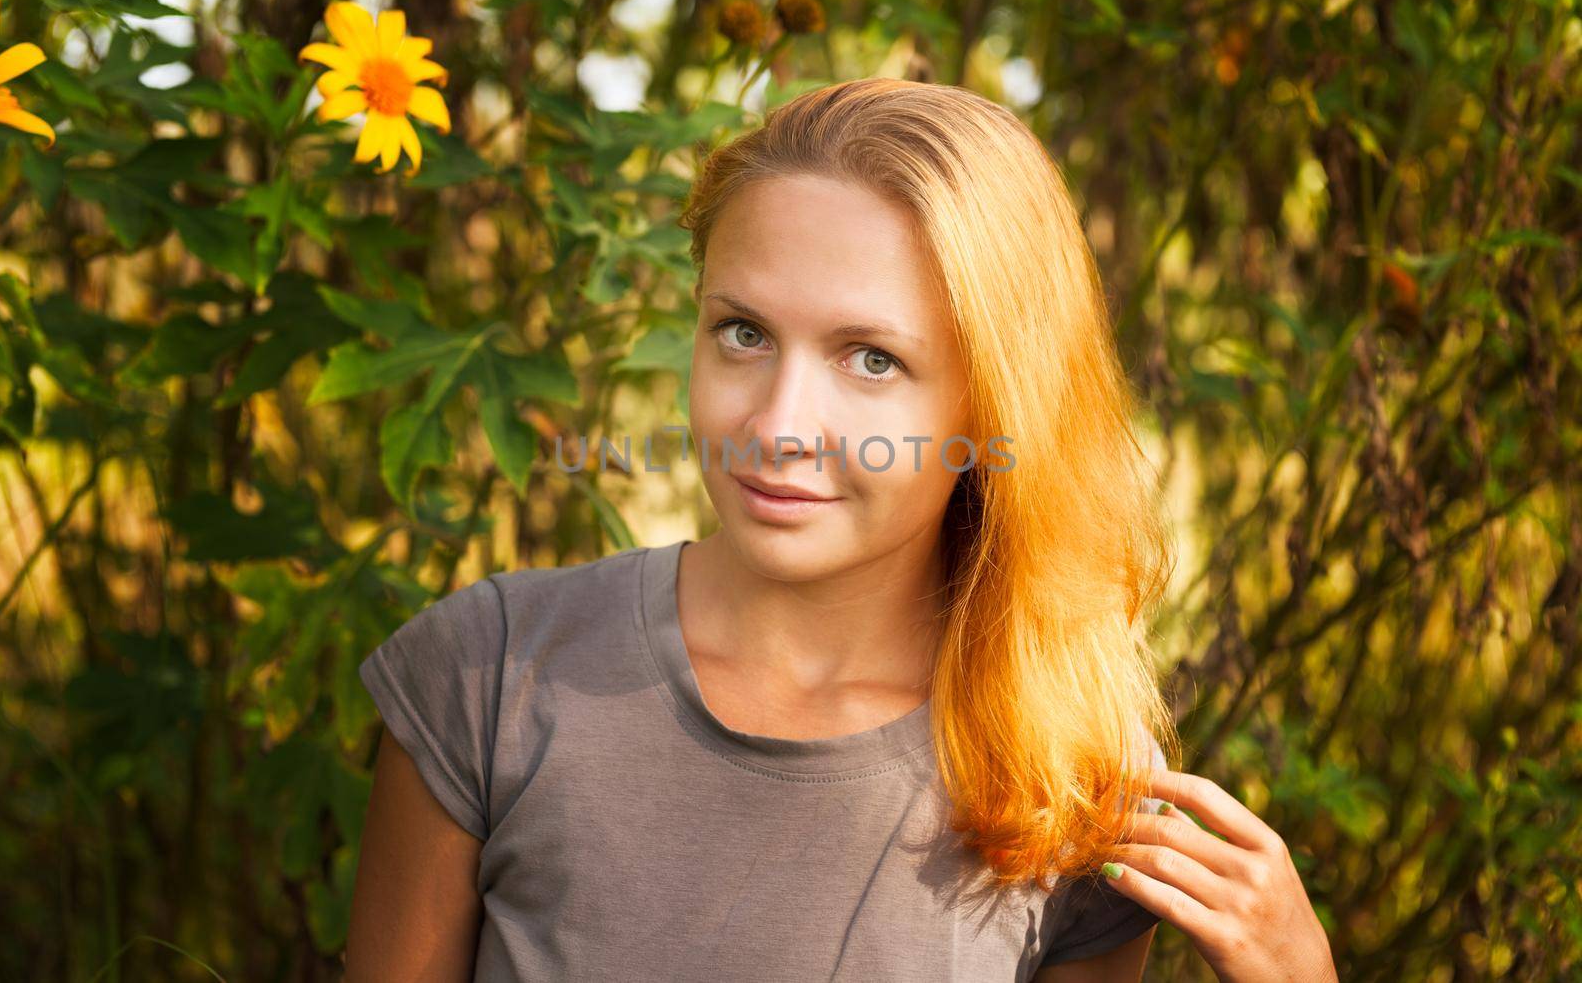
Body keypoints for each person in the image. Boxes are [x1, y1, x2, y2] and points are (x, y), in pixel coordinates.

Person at [342, 78, 1338, 982]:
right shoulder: (492, 676)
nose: (775, 426)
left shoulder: (1058, 765)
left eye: (869, 360)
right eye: (743, 333)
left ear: (992, 405)